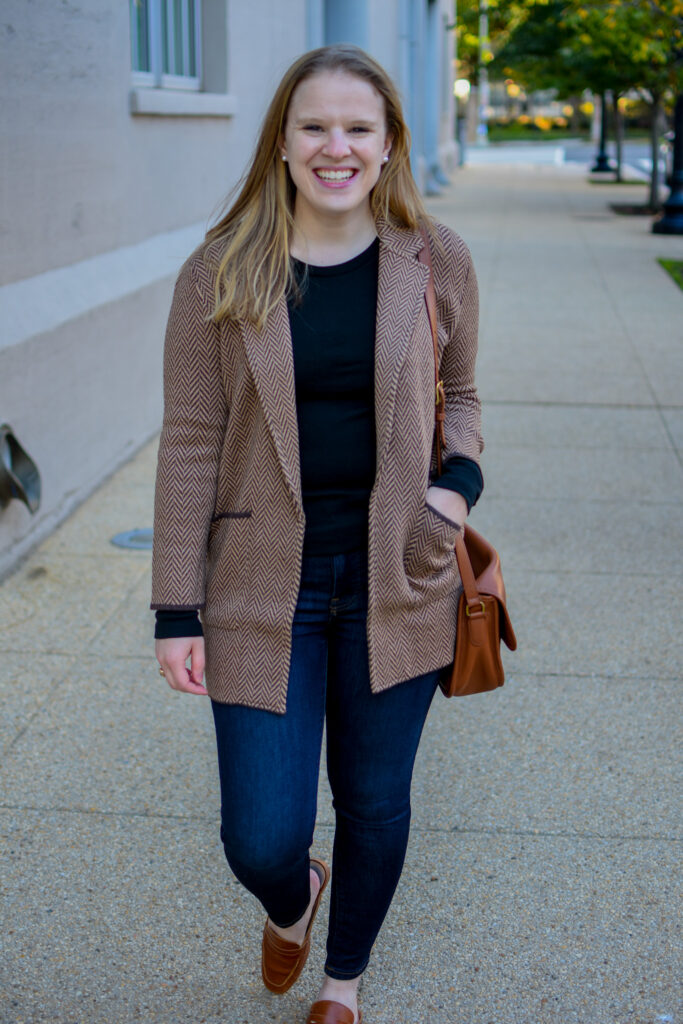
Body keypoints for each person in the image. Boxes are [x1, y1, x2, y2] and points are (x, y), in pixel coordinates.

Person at [152, 44, 483, 1024]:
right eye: (313, 126)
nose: (334, 146)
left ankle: (342, 983)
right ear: (283, 143)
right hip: (263, 582)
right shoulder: (218, 269)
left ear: (386, 147)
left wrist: (454, 490)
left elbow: (460, 394)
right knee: (258, 833)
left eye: (357, 128)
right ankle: (294, 897)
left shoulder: (434, 258)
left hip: (399, 570)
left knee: (376, 802)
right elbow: (189, 444)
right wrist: (177, 606)